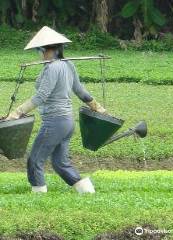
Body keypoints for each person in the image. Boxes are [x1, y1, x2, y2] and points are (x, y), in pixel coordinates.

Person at [6, 26, 106, 194]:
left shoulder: (52, 68)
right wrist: (99, 108)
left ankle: (38, 194)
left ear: (46, 50)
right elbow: (80, 91)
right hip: (67, 122)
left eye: (40, 50)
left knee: (35, 159)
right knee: (60, 163)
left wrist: (16, 113)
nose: (40, 53)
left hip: (54, 122)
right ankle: (88, 192)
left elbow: (41, 96)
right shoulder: (68, 65)